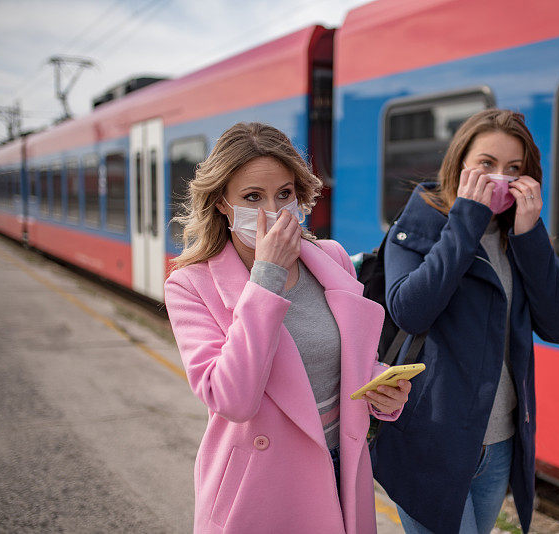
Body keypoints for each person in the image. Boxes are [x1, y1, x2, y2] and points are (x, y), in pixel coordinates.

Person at [164, 122, 410, 533]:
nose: (274, 211)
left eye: (284, 194)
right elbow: (233, 399)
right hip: (261, 483)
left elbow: (346, 361)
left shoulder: (330, 258)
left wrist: (380, 386)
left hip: (339, 465)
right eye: (252, 197)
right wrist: (266, 277)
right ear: (222, 202)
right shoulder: (191, 285)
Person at [370, 109, 559, 534]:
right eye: (486, 164)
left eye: (514, 169)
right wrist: (465, 220)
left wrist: (530, 233)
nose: (500, 178)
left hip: (499, 442)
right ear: (460, 163)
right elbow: (410, 310)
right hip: (429, 443)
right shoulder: (416, 226)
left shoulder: (516, 236)